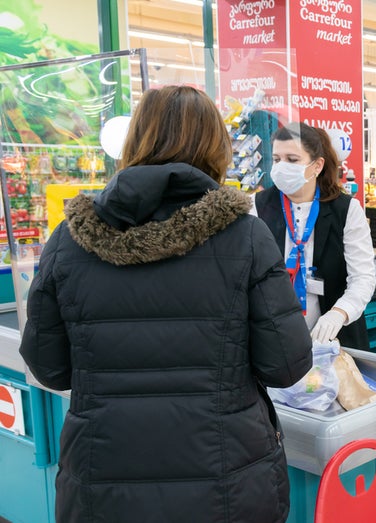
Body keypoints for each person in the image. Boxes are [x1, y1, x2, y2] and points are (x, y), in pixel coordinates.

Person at [18, 86, 313, 522]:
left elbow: (50, 367)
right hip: (227, 483)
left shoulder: (70, 239)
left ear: (135, 141)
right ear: (217, 148)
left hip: (104, 483)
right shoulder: (245, 237)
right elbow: (286, 365)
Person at [254, 123, 376, 350]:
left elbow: (363, 278)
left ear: (317, 165)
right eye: (277, 159)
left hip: (336, 341)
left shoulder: (346, 210)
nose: (281, 167)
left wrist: (339, 313)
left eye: (292, 159)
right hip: (276, 341)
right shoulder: (258, 207)